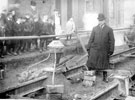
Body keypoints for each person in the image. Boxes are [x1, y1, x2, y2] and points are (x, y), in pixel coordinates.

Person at [86, 13, 115, 82]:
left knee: (104, 63)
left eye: (102, 20)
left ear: (104, 20)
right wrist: (88, 48)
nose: (100, 22)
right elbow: (91, 39)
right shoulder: (95, 29)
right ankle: (90, 77)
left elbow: (112, 40)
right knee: (91, 62)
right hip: (95, 49)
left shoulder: (109, 29)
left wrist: (111, 50)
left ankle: (105, 77)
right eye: (99, 20)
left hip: (104, 50)